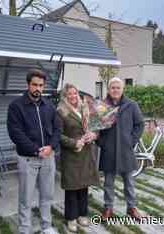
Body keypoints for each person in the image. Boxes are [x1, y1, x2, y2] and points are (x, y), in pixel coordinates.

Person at [7, 69, 60, 234]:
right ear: (28, 85)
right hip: (28, 159)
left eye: (41, 85)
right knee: (26, 197)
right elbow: (15, 133)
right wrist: (36, 150)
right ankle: (24, 229)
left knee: (47, 195)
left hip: (48, 157)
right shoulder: (16, 106)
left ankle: (46, 226)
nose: (38, 88)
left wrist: (51, 147)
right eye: (35, 85)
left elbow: (58, 129)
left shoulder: (49, 105)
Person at [97, 77, 144, 220]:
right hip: (109, 149)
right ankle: (108, 209)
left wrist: (131, 140)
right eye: (113, 87)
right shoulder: (102, 106)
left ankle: (131, 208)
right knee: (108, 183)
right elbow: (95, 127)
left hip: (125, 149)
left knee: (129, 182)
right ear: (109, 89)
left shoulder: (131, 105)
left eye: (118, 87)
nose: (115, 90)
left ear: (122, 89)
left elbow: (139, 125)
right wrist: (101, 142)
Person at [56, 83, 99, 232]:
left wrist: (93, 134)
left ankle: (82, 215)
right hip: (71, 155)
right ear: (65, 96)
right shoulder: (61, 111)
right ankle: (71, 218)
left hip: (86, 153)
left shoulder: (84, 108)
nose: (73, 96)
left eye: (75, 93)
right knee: (72, 189)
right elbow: (58, 135)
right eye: (69, 94)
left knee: (83, 187)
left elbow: (94, 127)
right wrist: (74, 143)